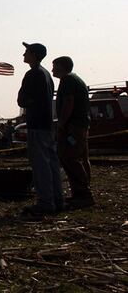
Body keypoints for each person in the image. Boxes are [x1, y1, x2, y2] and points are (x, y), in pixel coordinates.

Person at [17, 42, 63, 218]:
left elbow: (22, 100)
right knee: (51, 163)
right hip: (47, 124)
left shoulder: (33, 73)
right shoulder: (46, 74)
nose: (23, 55)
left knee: (40, 165)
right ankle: (57, 200)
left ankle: (45, 202)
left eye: (26, 52)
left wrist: (26, 101)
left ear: (34, 54)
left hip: (37, 124)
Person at [51, 56, 94, 209]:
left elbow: (69, 102)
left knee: (69, 157)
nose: (52, 69)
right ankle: (81, 193)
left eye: (55, 66)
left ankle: (83, 194)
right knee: (81, 157)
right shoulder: (75, 80)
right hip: (80, 126)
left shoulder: (67, 80)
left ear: (62, 66)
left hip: (73, 127)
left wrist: (62, 123)